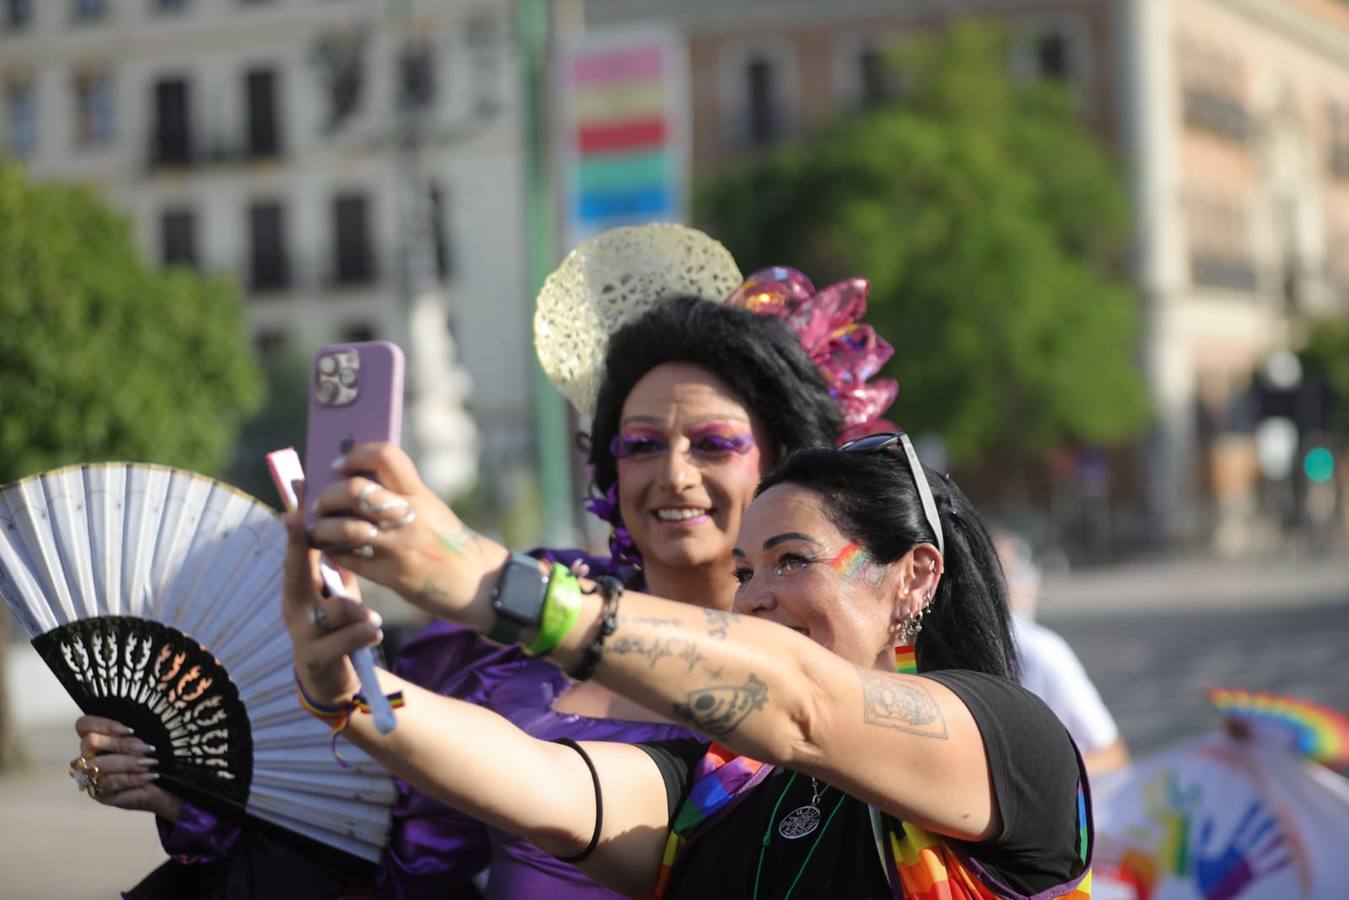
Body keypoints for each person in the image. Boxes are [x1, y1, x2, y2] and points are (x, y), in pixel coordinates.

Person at [71, 229, 880, 898]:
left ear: (777, 462)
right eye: (640, 445)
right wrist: (196, 795)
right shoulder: (503, 643)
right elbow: (396, 864)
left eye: (712, 445)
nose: (671, 475)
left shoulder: (822, 655)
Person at [282, 431, 1094, 898]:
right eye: (745, 572)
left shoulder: (1006, 743)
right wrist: (353, 692)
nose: (756, 597)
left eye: (791, 560)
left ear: (914, 573)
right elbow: (538, 784)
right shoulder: (716, 790)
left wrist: (492, 584)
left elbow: (803, 701)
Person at [993, 530, 1131, 776]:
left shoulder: (1041, 651)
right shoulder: (919, 653)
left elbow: (1112, 753)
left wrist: (1034, 788)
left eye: (1014, 571)